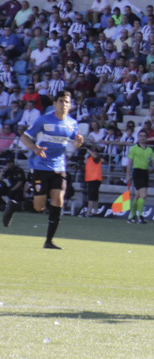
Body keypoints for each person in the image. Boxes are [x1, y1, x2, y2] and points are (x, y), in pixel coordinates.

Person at [5, 91, 85, 249]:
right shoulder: (43, 120)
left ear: (70, 105)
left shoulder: (72, 123)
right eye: (60, 101)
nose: (63, 104)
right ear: (54, 104)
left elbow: (74, 144)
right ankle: (14, 206)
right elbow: (24, 137)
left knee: (58, 201)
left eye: (66, 101)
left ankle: (49, 241)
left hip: (59, 167)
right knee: (39, 207)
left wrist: (78, 143)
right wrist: (35, 148)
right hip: (40, 167)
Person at [126, 134, 154, 224]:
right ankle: (140, 216)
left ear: (146, 138)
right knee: (143, 195)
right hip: (137, 172)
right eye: (140, 136)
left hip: (145, 173)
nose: (142, 137)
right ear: (138, 137)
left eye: (144, 136)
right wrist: (127, 175)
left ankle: (131, 217)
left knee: (138, 196)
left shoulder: (149, 150)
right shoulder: (134, 148)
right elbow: (129, 162)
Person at [83, 147, 103, 217]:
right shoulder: (89, 158)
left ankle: (89, 212)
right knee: (94, 196)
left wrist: (88, 150)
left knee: (91, 196)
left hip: (94, 178)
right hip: (91, 178)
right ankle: (95, 211)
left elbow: (95, 156)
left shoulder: (95, 155)